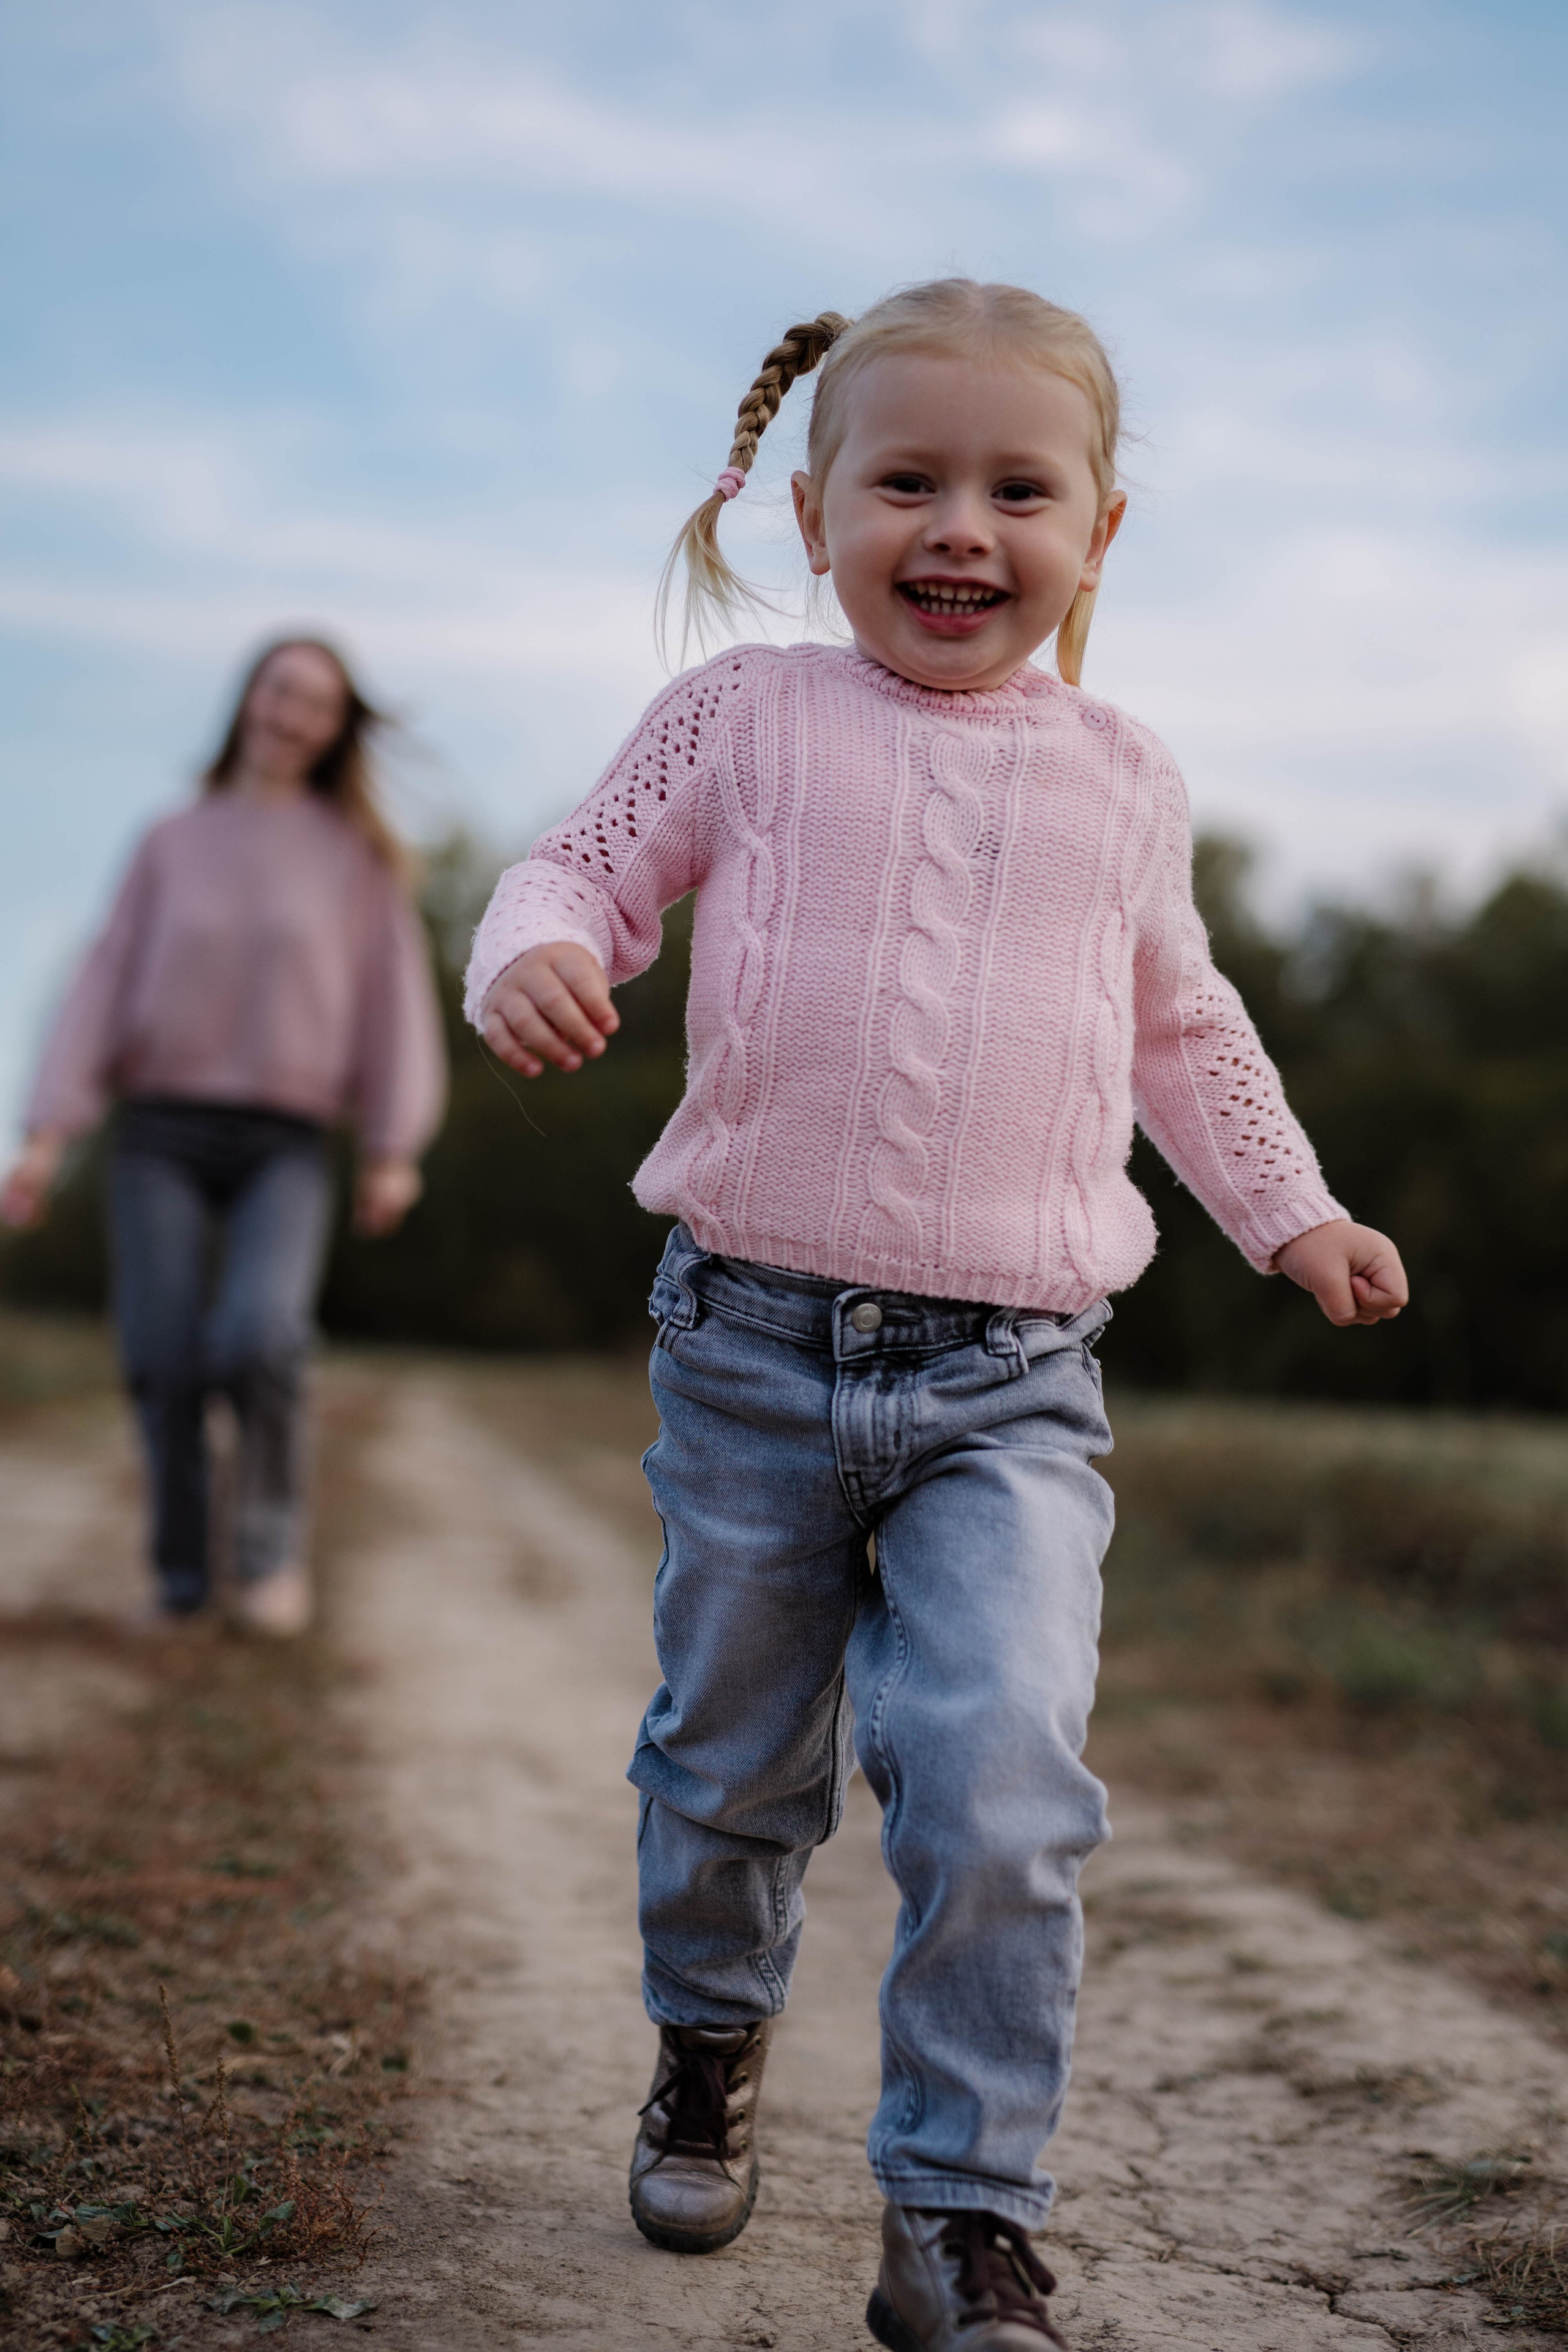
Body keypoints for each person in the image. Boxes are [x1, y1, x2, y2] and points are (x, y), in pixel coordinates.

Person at [466, 281, 1408, 2350]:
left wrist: (1292, 1209)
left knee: (997, 1774)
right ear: (816, 515)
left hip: (1014, 1381)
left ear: (1100, 531)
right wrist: (527, 953)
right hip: (748, 1348)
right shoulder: (746, 719)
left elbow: (1186, 1025)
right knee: (728, 1768)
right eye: (908, 482)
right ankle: (709, 2041)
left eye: (1016, 487)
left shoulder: (1124, 781)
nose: (959, 527)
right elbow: (577, 872)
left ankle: (961, 2219)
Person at [1, 638, 445, 1638]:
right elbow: (104, 979)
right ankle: (181, 1577)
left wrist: (392, 1144)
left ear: (335, 730)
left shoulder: (355, 859)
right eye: (280, 691)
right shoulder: (169, 839)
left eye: (317, 705)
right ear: (250, 698)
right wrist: (44, 1135)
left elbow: (392, 1003)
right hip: (158, 1129)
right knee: (160, 1354)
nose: (292, 715)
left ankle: (268, 1553)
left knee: (260, 1335)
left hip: (283, 1141)